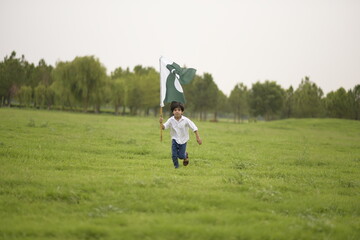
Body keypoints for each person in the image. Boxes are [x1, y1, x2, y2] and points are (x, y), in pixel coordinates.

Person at [159, 101, 202, 168]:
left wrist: (198, 138)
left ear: (182, 112)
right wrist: (161, 123)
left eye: (179, 110)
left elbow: (194, 128)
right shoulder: (171, 120)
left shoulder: (186, 120)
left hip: (183, 140)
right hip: (174, 139)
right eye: (175, 110)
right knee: (174, 155)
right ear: (173, 112)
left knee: (181, 156)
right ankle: (176, 167)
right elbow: (164, 127)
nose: (177, 111)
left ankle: (185, 155)